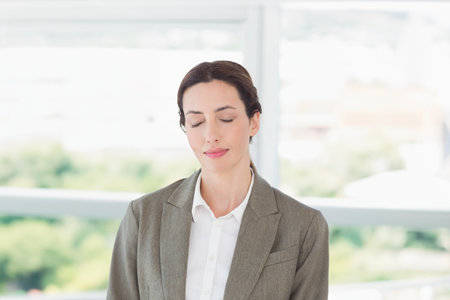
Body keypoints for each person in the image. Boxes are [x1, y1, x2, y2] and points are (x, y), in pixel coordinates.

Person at [106, 60, 329, 300]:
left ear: (254, 121)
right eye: (196, 122)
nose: (211, 135)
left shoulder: (304, 227)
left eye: (225, 119)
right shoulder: (143, 217)